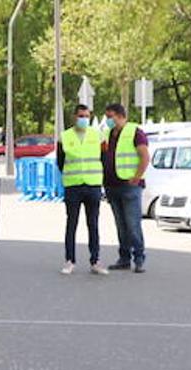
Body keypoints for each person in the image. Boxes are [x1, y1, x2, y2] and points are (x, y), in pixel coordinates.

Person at [57, 104, 108, 275]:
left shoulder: (97, 135)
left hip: (93, 185)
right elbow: (60, 161)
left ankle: (95, 261)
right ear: (74, 117)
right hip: (73, 186)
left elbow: (104, 157)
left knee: (93, 224)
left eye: (86, 116)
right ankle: (69, 260)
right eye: (80, 116)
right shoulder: (65, 136)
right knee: (72, 224)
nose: (83, 119)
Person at [102, 102, 151, 272]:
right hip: (112, 185)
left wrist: (137, 177)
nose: (108, 120)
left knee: (132, 224)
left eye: (110, 117)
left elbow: (144, 156)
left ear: (121, 116)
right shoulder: (107, 133)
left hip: (130, 186)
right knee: (121, 225)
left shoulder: (135, 132)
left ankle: (139, 258)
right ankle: (124, 258)